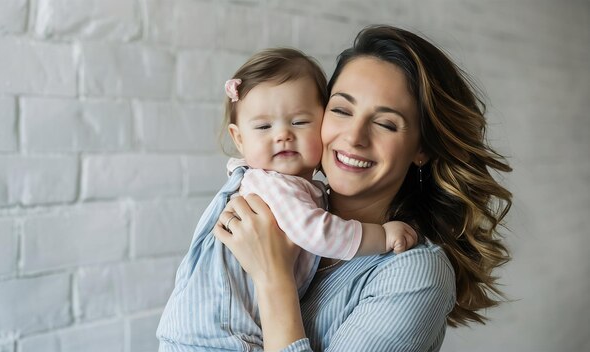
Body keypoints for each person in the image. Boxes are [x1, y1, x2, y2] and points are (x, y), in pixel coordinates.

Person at [213, 25, 513, 351]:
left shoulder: (415, 273)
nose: (355, 137)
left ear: (421, 148)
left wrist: (273, 279)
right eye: (342, 110)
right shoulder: (282, 207)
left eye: (385, 123)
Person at [157, 48, 418, 351]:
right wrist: (382, 235)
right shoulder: (274, 187)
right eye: (264, 127)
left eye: (299, 122)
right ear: (239, 138)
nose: (282, 135)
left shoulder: (413, 274)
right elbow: (317, 232)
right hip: (220, 337)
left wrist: (274, 277)